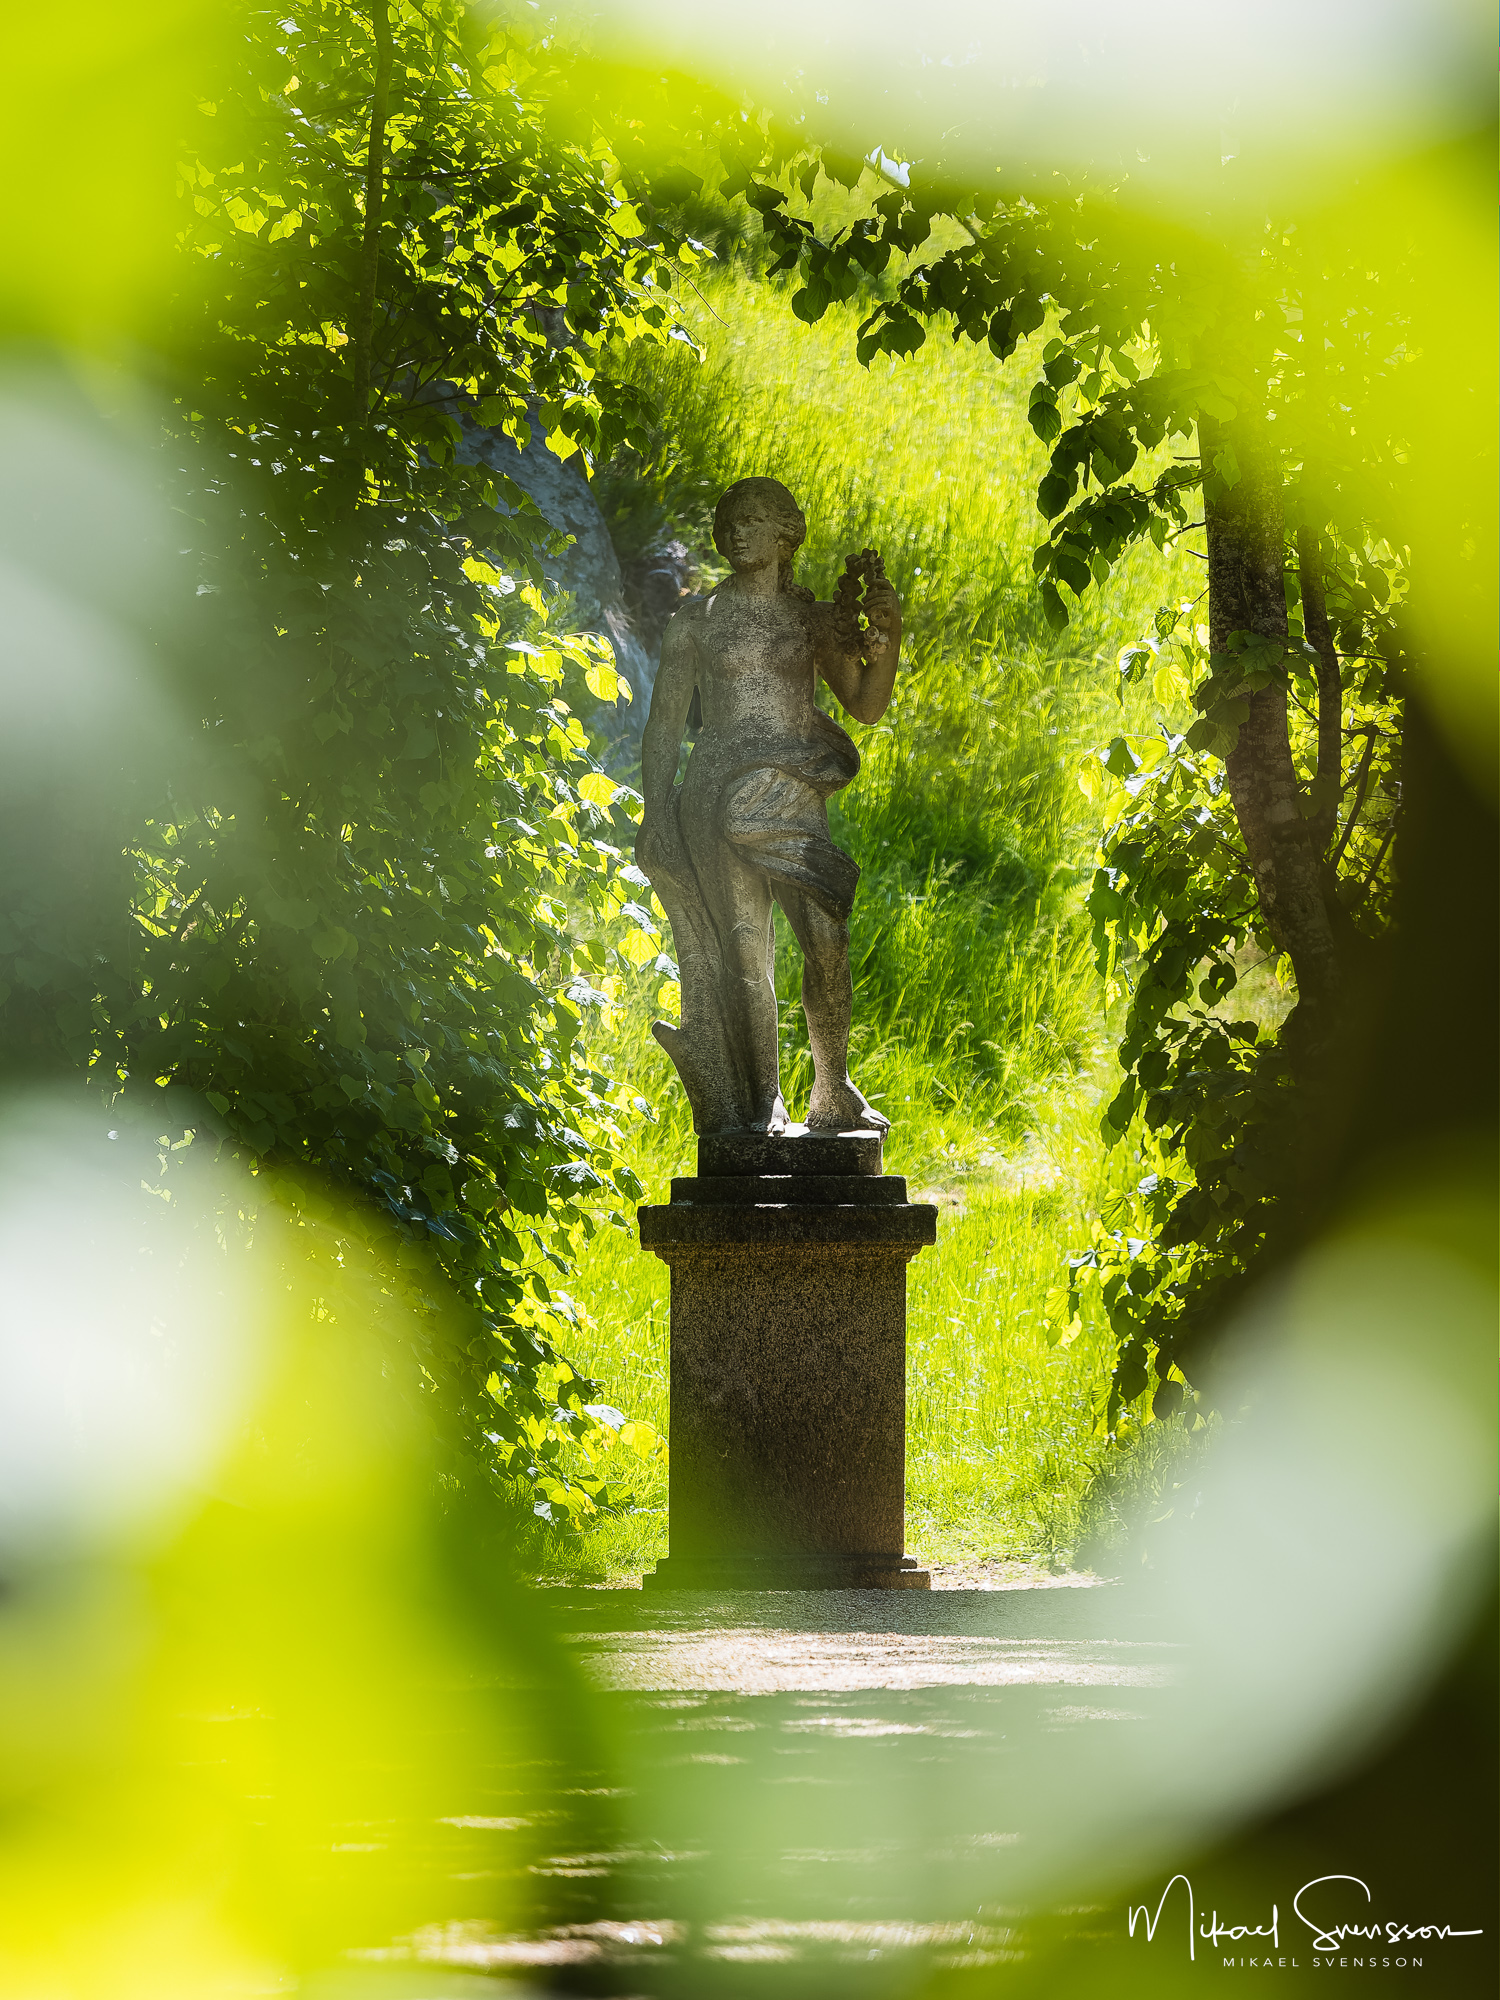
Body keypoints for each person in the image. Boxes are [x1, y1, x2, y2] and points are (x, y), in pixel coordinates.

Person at [636, 476, 902, 1134]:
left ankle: (833, 1090)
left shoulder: (811, 619)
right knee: (744, 947)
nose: (736, 531)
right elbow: (665, 724)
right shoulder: (697, 620)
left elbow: (865, 706)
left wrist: (889, 638)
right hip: (714, 789)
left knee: (827, 939)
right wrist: (655, 811)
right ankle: (764, 1103)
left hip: (791, 786)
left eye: (752, 519)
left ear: (787, 533)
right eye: (728, 520)